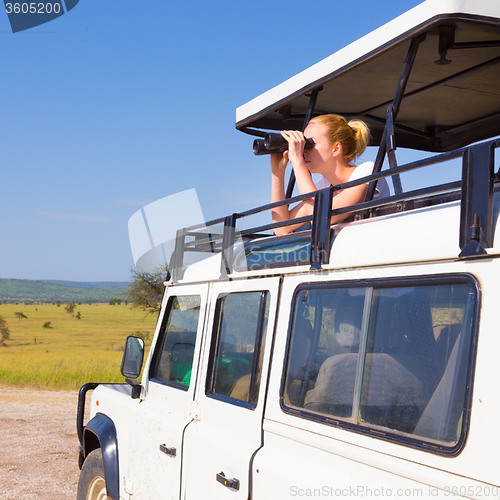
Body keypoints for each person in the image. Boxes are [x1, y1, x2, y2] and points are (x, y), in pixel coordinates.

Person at [270, 114, 389, 235]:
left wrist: (297, 162)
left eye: (309, 143)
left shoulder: (366, 172)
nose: (303, 151)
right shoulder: (324, 185)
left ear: (336, 148)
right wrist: (277, 172)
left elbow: (321, 217)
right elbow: (281, 227)